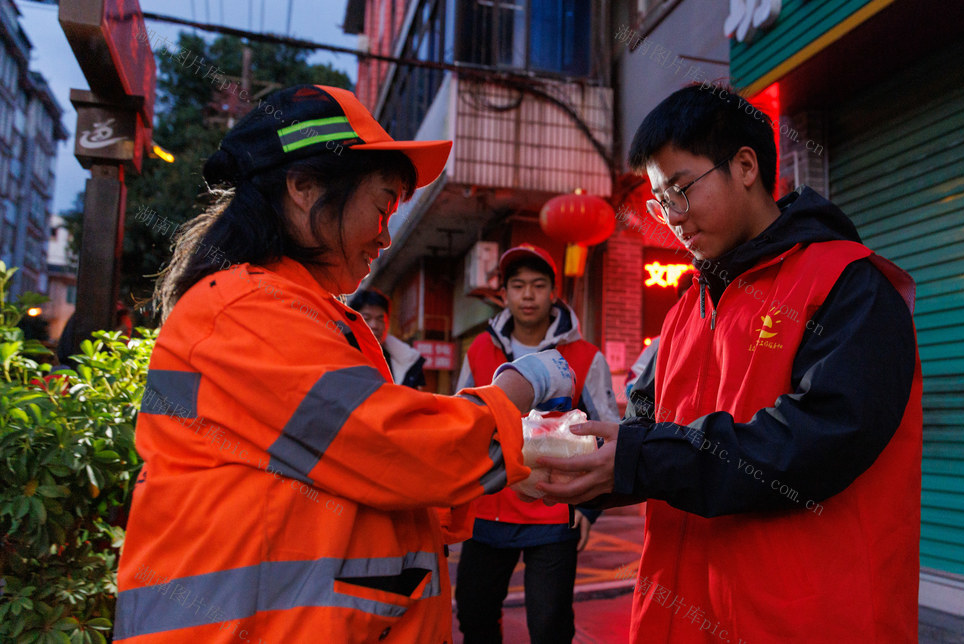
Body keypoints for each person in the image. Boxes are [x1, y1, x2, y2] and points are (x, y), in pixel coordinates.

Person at [113, 85, 578, 644]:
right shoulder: (247, 312)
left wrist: (495, 474)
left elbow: (364, 479)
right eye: (381, 206)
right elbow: (398, 448)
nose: (384, 237)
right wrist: (519, 385)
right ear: (305, 188)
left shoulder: (288, 311)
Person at [535, 83, 922, 643]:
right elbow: (646, 440)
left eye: (681, 191)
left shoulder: (848, 285)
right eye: (660, 204)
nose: (673, 219)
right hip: (682, 616)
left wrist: (641, 458)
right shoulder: (684, 311)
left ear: (745, 166)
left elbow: (817, 440)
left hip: (807, 622)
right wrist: (579, 466)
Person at [453, 244, 618, 644]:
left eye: (538, 285)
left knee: (549, 626)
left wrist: (589, 511)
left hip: (553, 510)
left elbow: (608, 431)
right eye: (518, 285)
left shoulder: (585, 356)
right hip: (487, 510)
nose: (528, 295)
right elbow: (461, 424)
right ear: (504, 294)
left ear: (552, 294)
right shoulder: (479, 350)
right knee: (474, 613)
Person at [348, 288, 426, 389]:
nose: (374, 325)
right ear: (351, 321)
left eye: (380, 319)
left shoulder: (406, 361)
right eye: (366, 318)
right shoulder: (339, 357)